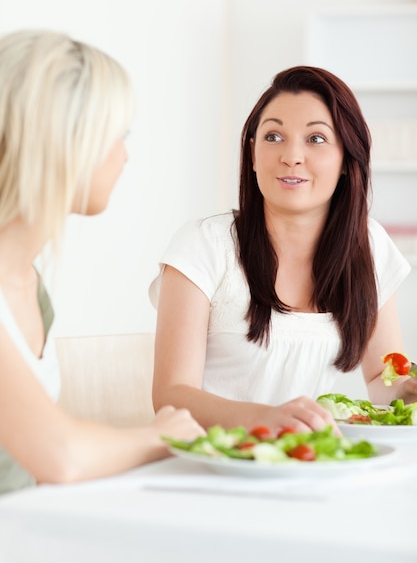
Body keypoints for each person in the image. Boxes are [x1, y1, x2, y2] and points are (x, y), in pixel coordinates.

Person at [149, 65, 416, 435]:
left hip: (311, 462)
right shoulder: (204, 245)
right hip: (213, 460)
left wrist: (409, 392)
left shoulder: (368, 247)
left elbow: (383, 376)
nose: (292, 156)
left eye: (316, 139)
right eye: (273, 136)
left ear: (345, 159)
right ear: (253, 154)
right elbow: (172, 394)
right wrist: (264, 419)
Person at [0, 29, 204, 495]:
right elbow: (59, 455)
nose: (125, 155)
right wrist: (160, 435)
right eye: (117, 135)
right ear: (63, 143)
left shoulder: (32, 288)